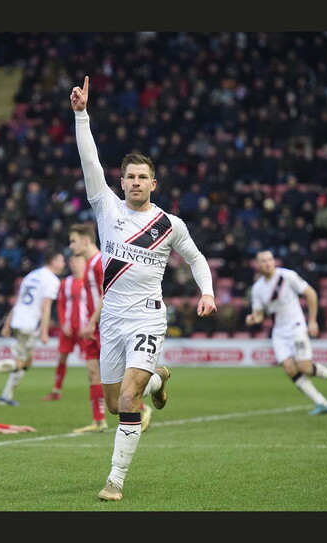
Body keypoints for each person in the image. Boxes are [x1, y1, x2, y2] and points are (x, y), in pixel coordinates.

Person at [72, 76, 217, 502]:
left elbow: (196, 259)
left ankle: (115, 479)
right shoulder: (106, 209)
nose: (136, 182)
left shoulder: (170, 224)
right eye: (130, 176)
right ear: (121, 182)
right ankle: (159, 378)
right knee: (117, 403)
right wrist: (82, 116)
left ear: (154, 183)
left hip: (148, 316)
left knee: (130, 398)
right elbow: (90, 163)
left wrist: (206, 291)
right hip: (113, 320)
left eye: (143, 177)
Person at [246, 250, 327, 415]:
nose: (267, 263)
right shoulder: (257, 288)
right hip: (279, 332)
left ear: (274, 261)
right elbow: (259, 314)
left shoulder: (287, 277)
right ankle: (322, 403)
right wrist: (253, 318)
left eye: (270, 259)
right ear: (257, 265)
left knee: (305, 367)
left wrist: (312, 321)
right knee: (289, 369)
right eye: (263, 261)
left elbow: (311, 294)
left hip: (296, 326)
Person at [0, 247, 65, 406]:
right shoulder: (52, 280)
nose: (63, 263)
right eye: (61, 260)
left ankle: (6, 396)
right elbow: (46, 308)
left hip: (18, 320)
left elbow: (18, 301)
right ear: (53, 261)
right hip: (28, 325)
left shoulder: (31, 276)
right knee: (22, 362)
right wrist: (44, 332)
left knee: (27, 360)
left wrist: (7, 324)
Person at [68, 223, 110, 434]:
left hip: (104, 326)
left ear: (86, 240)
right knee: (93, 373)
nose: (71, 246)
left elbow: (107, 294)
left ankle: (140, 408)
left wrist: (93, 321)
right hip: (93, 327)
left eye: (73, 241)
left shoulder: (99, 263)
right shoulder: (88, 265)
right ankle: (99, 420)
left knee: (115, 374)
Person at [43, 255, 87, 402]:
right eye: (73, 261)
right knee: (62, 357)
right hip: (68, 328)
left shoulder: (90, 281)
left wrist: (89, 324)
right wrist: (63, 323)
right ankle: (56, 390)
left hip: (85, 329)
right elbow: (60, 304)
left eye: (78, 261)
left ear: (84, 263)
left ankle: (101, 391)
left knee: (95, 361)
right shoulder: (65, 283)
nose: (75, 264)